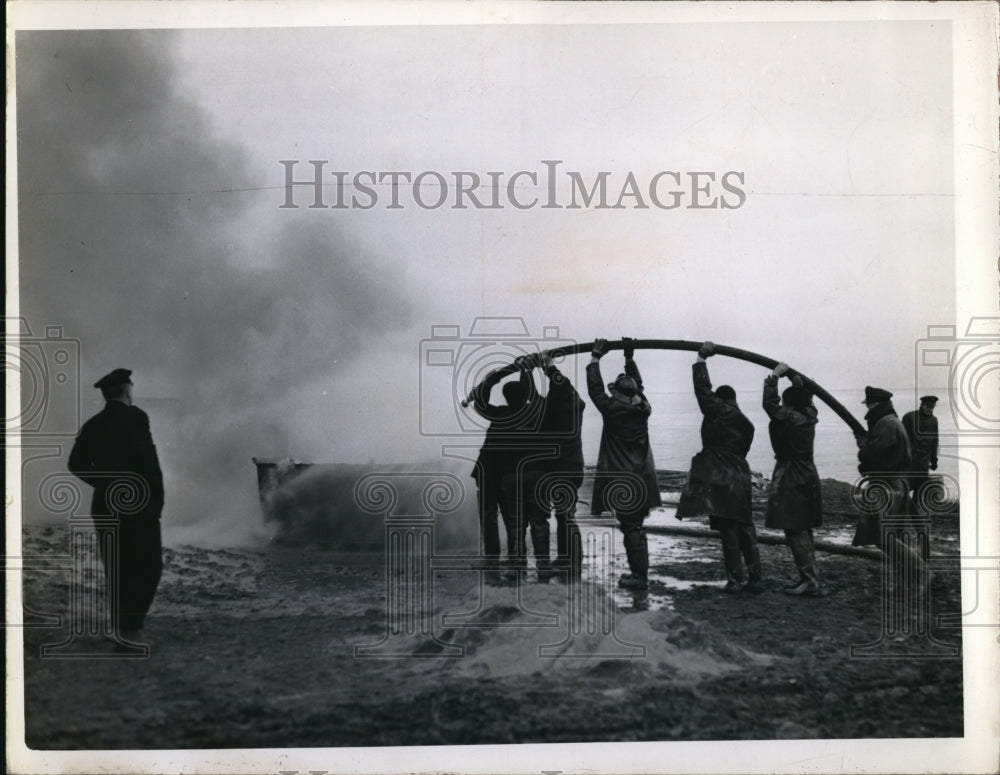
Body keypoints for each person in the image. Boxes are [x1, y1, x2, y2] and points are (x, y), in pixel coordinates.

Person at [67, 368, 164, 640]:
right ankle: (131, 627)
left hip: (105, 506)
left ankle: (123, 626)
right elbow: (149, 463)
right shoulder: (136, 417)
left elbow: (75, 464)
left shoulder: (93, 424)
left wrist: (106, 482)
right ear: (127, 389)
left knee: (117, 567)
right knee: (148, 564)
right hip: (138, 504)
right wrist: (156, 501)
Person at [677, 342, 759, 593]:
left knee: (728, 529)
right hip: (741, 475)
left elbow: (703, 391)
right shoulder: (747, 423)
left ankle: (735, 580)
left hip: (721, 476)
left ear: (721, 400)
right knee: (746, 527)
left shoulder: (719, 411)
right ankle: (756, 579)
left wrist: (701, 359)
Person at [587, 337, 661, 590]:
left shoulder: (612, 410)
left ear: (617, 393)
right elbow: (638, 388)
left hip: (622, 480)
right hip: (642, 477)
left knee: (630, 528)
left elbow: (595, 389)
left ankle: (640, 577)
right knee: (636, 526)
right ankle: (640, 573)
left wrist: (596, 357)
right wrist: (629, 358)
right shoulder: (644, 410)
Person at [470, 360, 539, 578]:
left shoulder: (499, 414)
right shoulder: (531, 414)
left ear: (506, 397)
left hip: (488, 472)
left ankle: (492, 559)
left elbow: (480, 402)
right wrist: (525, 370)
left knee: (488, 516)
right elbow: (528, 394)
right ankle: (517, 557)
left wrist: (491, 380)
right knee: (513, 519)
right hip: (512, 474)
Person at [520, 352, 586, 582]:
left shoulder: (558, 410)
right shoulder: (573, 404)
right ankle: (568, 559)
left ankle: (573, 562)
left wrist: (546, 366)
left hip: (561, 469)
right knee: (565, 514)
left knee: (565, 515)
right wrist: (528, 370)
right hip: (573, 467)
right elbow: (537, 396)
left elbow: (544, 392)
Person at [853, 387, 928, 584]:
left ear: (875, 404)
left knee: (881, 535)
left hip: (887, 485)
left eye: (868, 404)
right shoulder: (891, 421)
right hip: (895, 483)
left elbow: (873, 454)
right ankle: (908, 576)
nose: (867, 408)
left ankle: (920, 571)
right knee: (894, 533)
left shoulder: (885, 424)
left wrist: (863, 446)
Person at [763, 363, 824, 596]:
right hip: (808, 471)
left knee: (793, 527)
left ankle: (809, 580)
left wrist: (774, 377)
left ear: (787, 404)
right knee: (804, 526)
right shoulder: (809, 416)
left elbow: (770, 405)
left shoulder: (789, 417)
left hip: (791, 473)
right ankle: (811, 577)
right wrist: (800, 389)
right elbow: (807, 405)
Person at [902, 395, 939, 503]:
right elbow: (902, 438)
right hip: (910, 461)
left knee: (920, 489)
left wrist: (934, 460)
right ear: (922, 405)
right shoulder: (909, 417)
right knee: (904, 488)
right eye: (928, 407)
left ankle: (915, 514)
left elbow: (935, 441)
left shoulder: (934, 420)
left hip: (924, 462)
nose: (930, 410)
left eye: (932, 408)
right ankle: (901, 511)